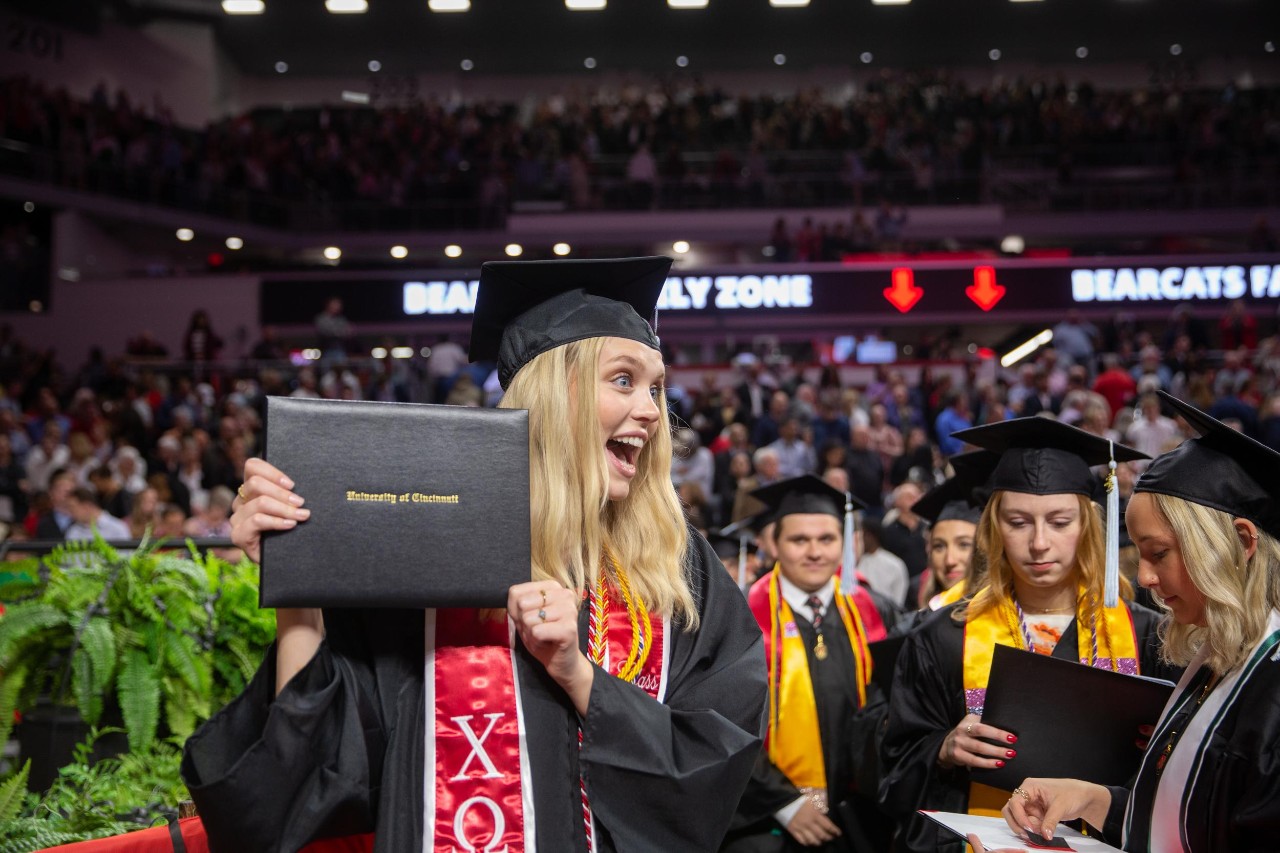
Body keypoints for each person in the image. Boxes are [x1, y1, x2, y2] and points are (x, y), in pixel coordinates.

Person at [181, 257, 768, 853]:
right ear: (552, 394)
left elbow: (716, 758)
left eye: (655, 387)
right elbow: (319, 767)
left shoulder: (675, 561)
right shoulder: (434, 535)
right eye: (623, 380)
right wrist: (297, 576)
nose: (651, 410)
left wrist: (580, 677)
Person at [982, 392, 1280, 853]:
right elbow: (1184, 821)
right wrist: (1096, 799)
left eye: (1159, 553)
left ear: (1241, 542)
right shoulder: (1221, 660)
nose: (1142, 577)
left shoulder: (1272, 686)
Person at [879, 418, 1178, 853]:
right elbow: (893, 770)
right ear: (995, 528)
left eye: (1059, 522)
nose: (1039, 543)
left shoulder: (1149, 635)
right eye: (1019, 522)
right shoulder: (941, 639)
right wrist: (942, 748)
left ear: (1088, 527)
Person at [725, 476, 891, 852]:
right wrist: (784, 803)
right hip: (769, 822)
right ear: (773, 544)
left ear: (845, 543)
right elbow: (723, 720)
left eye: (827, 539)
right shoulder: (741, 619)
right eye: (799, 540)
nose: (815, 552)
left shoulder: (875, 611)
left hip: (862, 816)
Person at [908, 451, 999, 612]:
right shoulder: (917, 618)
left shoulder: (1004, 621)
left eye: (964, 545)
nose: (950, 560)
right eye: (939, 546)